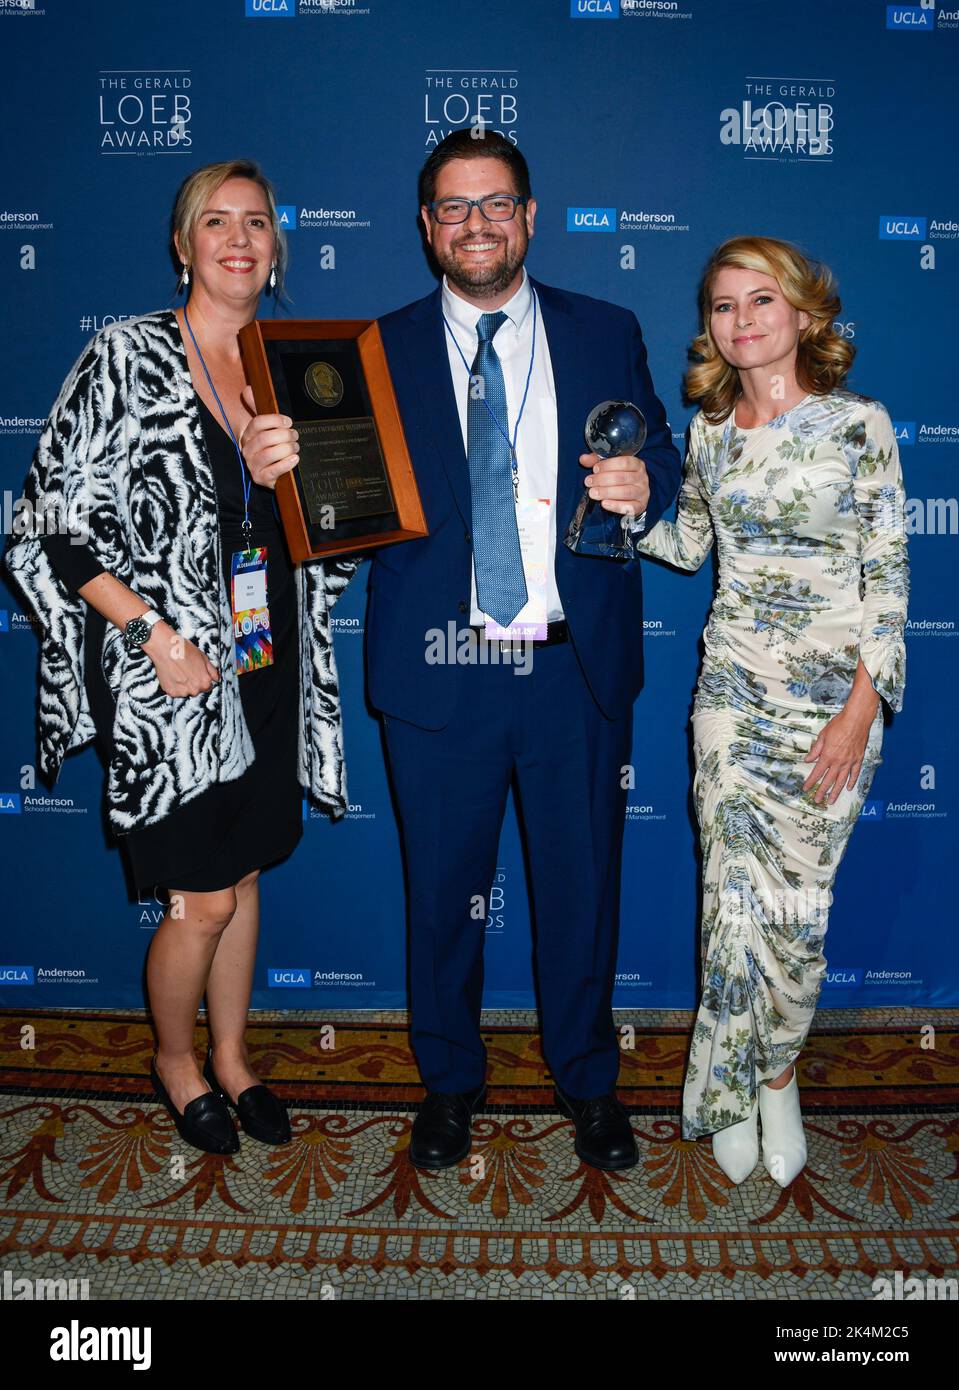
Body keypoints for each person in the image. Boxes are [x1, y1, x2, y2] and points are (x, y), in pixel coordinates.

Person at [241, 129, 682, 1172]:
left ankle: (587, 1080)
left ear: (529, 217)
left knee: (582, 889)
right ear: (425, 226)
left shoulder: (602, 328)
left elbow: (654, 444)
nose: (475, 223)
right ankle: (448, 1083)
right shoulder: (368, 351)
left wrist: (645, 484)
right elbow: (323, 510)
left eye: (495, 204)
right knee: (439, 894)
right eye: (453, 207)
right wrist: (279, 473)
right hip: (439, 667)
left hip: (572, 666)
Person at [4, 159, 358, 1155]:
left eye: (257, 222)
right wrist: (151, 635)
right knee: (199, 896)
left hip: (263, 650)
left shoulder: (291, 363)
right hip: (164, 668)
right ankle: (174, 1059)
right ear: (182, 243)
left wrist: (311, 486)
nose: (239, 238)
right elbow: (52, 525)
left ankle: (236, 1057)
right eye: (217, 221)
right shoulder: (125, 355)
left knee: (244, 877)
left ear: (276, 248)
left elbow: (314, 526)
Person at [634, 236, 909, 1186]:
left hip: (835, 702)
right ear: (708, 325)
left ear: (803, 315)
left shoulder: (857, 425)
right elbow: (686, 546)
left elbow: (888, 581)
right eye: (723, 306)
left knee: (793, 912)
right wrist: (630, 509)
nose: (741, 321)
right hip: (730, 694)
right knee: (730, 902)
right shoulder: (710, 431)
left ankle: (777, 1076)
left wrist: (857, 711)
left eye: (761, 301)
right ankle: (733, 1090)